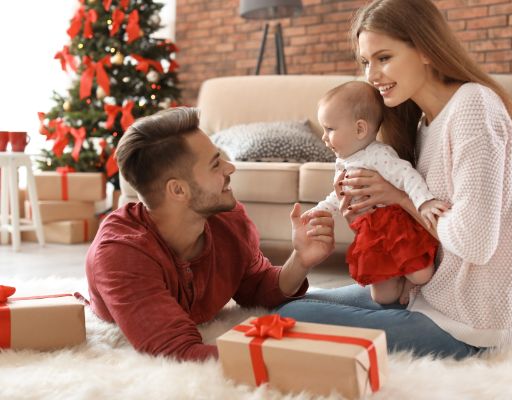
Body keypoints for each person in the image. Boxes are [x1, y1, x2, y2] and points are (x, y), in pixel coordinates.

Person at [276, 0, 512, 359]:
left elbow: (475, 243)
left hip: (470, 327)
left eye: (384, 58)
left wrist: (401, 198)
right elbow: (413, 235)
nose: (371, 75)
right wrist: (363, 211)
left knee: (292, 316)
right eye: (365, 62)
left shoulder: (473, 107)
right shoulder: (422, 123)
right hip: (425, 298)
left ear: (425, 49)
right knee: (297, 302)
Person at [85, 107, 335, 361]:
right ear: (178, 190)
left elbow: (257, 288)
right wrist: (298, 363)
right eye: (216, 164)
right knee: (316, 319)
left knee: (368, 299)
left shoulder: (228, 219)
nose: (230, 168)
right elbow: (178, 353)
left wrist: (301, 259)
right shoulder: (121, 254)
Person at [311, 81, 449, 305]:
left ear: (360, 129)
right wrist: (320, 211)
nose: (324, 137)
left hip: (394, 226)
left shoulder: (378, 155)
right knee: (381, 297)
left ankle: (410, 286)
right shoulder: (343, 163)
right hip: (371, 234)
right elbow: (338, 196)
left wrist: (425, 203)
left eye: (330, 129)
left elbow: (407, 175)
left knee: (421, 273)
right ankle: (397, 284)